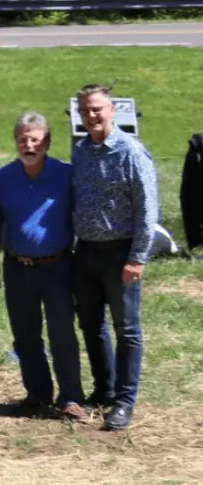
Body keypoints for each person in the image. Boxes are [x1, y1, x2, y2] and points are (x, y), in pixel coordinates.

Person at [70, 84, 158, 431]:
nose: (91, 116)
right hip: (86, 251)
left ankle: (124, 401)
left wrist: (137, 258)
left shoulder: (130, 152)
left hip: (121, 253)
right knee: (91, 325)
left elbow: (147, 210)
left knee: (127, 330)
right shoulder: (81, 151)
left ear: (112, 110)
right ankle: (104, 389)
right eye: (85, 111)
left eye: (97, 110)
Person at [0, 111, 86, 421]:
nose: (28, 145)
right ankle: (38, 393)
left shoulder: (66, 174)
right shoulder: (4, 177)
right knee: (25, 335)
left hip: (57, 266)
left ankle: (71, 397)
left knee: (62, 333)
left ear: (46, 141)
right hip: (17, 267)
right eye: (23, 140)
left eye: (35, 139)